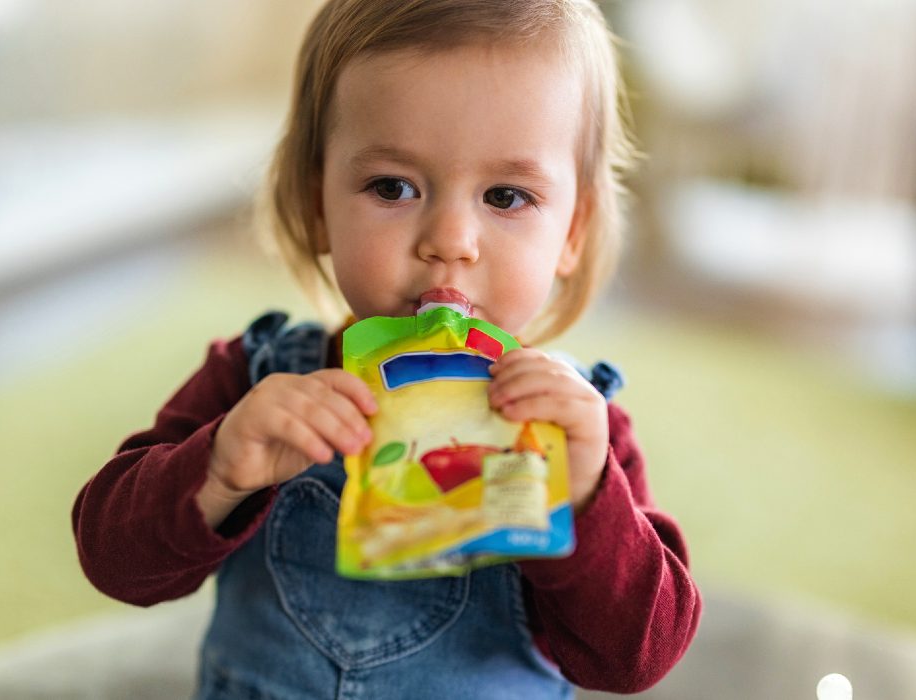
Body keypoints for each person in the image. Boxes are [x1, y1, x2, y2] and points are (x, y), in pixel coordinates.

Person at [72, 1, 701, 696]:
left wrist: (585, 497)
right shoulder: (257, 384)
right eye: (393, 187)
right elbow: (112, 560)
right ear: (317, 205)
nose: (450, 240)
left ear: (572, 232)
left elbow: (638, 659)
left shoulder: (579, 430)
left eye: (506, 196)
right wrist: (219, 468)